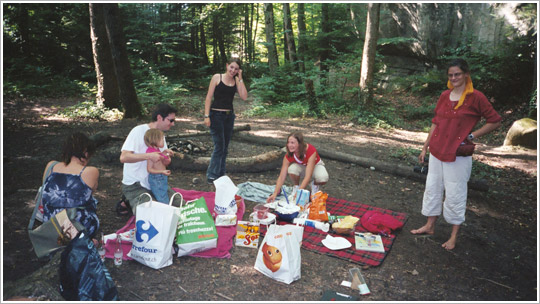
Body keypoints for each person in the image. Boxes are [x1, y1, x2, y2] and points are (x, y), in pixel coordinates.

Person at [410, 58, 502, 250]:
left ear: (466, 74)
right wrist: (425, 146)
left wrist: (471, 135)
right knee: (433, 187)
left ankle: (453, 236)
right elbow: (436, 121)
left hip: (458, 154)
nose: (454, 78)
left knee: (455, 192)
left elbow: (494, 120)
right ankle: (430, 225)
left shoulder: (476, 97)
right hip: (437, 149)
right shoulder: (445, 95)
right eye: (451, 75)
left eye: (457, 74)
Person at [119, 103, 180, 214]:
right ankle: (128, 200)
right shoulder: (138, 131)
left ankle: (129, 202)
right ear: (159, 118)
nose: (173, 124)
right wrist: (148, 156)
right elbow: (124, 157)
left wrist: (166, 159)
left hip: (155, 182)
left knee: (180, 205)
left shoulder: (160, 135)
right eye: (170, 120)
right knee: (151, 213)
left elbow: (162, 162)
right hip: (135, 185)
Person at [41, 132, 100, 238]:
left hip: (51, 223)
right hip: (76, 227)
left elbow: (45, 191)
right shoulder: (90, 171)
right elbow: (90, 193)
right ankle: (86, 240)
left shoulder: (51, 166)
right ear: (86, 153)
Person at [204, 57, 248, 184]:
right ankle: (212, 174)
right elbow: (208, 97)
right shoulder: (217, 77)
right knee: (219, 146)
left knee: (225, 147)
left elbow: (244, 97)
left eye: (236, 69)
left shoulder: (236, 80)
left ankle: (221, 174)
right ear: (227, 65)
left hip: (229, 117)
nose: (233, 70)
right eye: (232, 67)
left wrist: (240, 78)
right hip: (216, 115)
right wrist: (206, 116)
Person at [266, 132, 329, 203]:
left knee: (322, 178)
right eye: (288, 142)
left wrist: (299, 193)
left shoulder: (311, 150)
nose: (289, 145)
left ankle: (314, 186)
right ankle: (296, 186)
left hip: (315, 166)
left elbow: (308, 176)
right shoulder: (289, 155)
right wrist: (275, 193)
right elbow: (282, 176)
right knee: (292, 169)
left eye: (292, 143)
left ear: (299, 144)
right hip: (302, 165)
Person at [144, 128, 171, 204]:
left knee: (163, 194)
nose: (164, 141)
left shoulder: (158, 151)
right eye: (162, 139)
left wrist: (166, 154)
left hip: (161, 177)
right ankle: (165, 211)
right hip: (157, 179)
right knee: (162, 198)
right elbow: (149, 169)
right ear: (155, 140)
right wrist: (161, 171)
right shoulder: (151, 154)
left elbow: (164, 162)